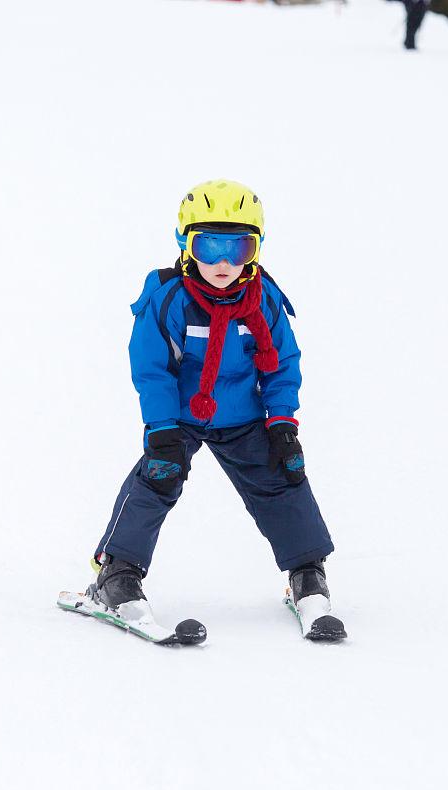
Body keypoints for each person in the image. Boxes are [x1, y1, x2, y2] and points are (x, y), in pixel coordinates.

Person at [86, 179, 345, 642]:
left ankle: (307, 571)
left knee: (282, 478)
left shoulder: (262, 299)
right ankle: (116, 572)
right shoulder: (169, 297)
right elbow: (152, 368)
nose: (223, 262)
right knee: (157, 478)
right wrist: (162, 430)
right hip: (181, 416)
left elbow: (283, 364)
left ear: (256, 248)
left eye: (239, 246)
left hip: (243, 415)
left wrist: (282, 424)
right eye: (209, 245)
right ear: (185, 243)